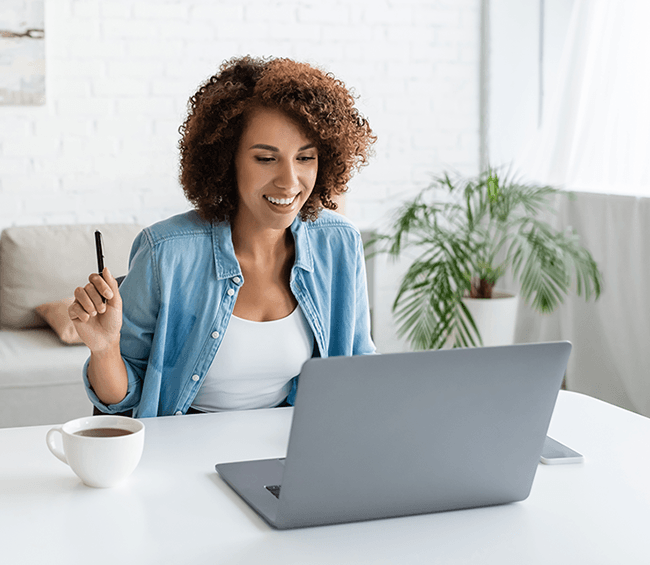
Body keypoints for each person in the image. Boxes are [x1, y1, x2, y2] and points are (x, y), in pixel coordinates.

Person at [69, 55, 377, 418]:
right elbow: (121, 401)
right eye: (266, 159)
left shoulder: (338, 244)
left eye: (305, 158)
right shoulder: (166, 253)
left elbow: (358, 373)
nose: (290, 181)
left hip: (290, 446)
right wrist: (104, 349)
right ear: (226, 159)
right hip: (184, 445)